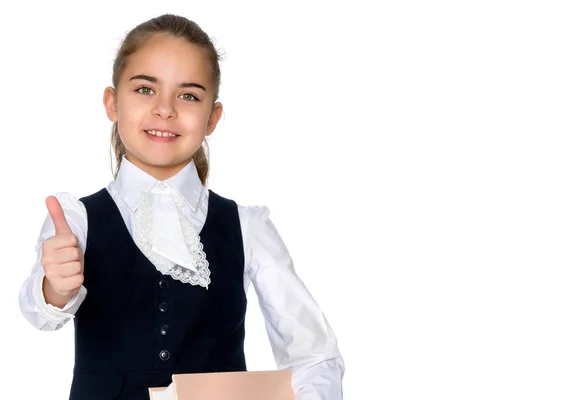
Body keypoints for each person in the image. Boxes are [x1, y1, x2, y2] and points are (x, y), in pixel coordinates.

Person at [18, 13, 344, 400]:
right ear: (112, 102)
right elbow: (40, 313)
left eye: (188, 95)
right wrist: (55, 287)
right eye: (144, 89)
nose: (165, 109)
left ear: (212, 118)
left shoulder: (247, 226)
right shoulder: (75, 220)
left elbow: (314, 354)